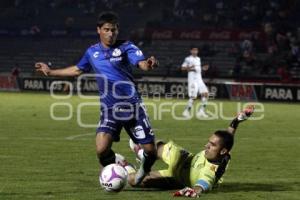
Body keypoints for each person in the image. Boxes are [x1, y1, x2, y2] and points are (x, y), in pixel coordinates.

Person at [34, 12, 159, 186]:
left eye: (113, 30)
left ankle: (143, 170)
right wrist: (51, 72)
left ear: (117, 30)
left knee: (151, 151)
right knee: (101, 150)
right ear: (99, 30)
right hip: (110, 109)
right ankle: (120, 165)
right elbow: (78, 70)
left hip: (133, 107)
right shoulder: (92, 52)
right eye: (106, 30)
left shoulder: (126, 47)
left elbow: (142, 64)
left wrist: (149, 64)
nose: (110, 33)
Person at [124, 105, 255, 198]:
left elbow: (203, 184)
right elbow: (227, 137)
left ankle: (127, 166)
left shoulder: (211, 172)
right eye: (209, 142)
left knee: (133, 181)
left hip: (176, 178)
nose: (206, 146)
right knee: (151, 147)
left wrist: (195, 191)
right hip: (183, 158)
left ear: (223, 151)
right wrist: (237, 121)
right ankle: (141, 151)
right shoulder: (222, 150)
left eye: (212, 145)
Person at [181, 46, 210, 118]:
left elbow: (198, 69)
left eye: (196, 50)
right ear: (191, 51)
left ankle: (201, 111)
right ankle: (186, 111)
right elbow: (182, 68)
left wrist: (203, 68)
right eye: (193, 50)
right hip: (192, 80)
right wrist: (190, 68)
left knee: (206, 94)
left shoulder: (198, 59)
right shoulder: (188, 59)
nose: (195, 51)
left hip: (199, 79)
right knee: (193, 97)